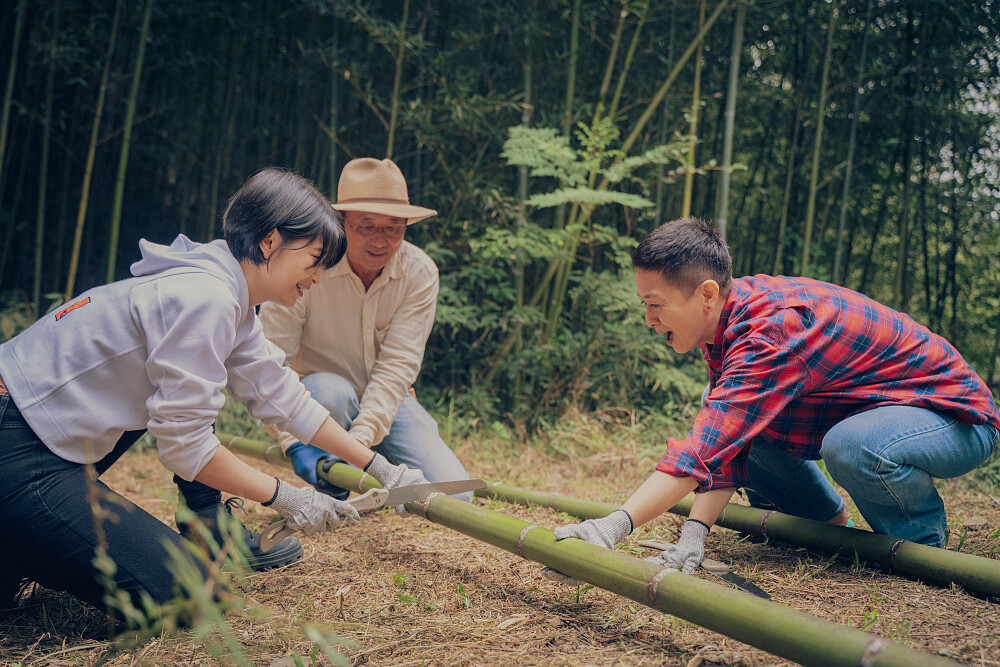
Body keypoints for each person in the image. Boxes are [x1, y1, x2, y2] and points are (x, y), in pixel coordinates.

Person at [0, 168, 429, 617]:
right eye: (315, 259)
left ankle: (29, 537)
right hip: (19, 444)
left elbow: (284, 398)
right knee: (191, 599)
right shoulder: (207, 297)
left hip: (43, 438)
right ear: (271, 242)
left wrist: (382, 468)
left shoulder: (227, 291)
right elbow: (185, 445)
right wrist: (286, 495)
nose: (318, 277)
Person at [555, 218, 999, 571]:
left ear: (707, 294)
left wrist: (614, 527)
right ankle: (820, 523)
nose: (649, 320)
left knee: (851, 446)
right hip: (882, 415)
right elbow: (726, 442)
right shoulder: (728, 329)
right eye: (644, 305)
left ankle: (922, 549)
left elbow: (700, 452)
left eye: (656, 304)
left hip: (954, 420)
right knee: (736, 417)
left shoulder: (773, 330)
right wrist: (694, 536)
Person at [260, 158, 471, 501]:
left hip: (388, 400)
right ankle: (328, 473)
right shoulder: (308, 264)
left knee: (454, 493)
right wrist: (292, 441)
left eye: (393, 227)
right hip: (316, 400)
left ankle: (359, 471)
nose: (381, 240)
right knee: (333, 390)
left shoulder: (419, 274)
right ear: (341, 222)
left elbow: (396, 369)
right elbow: (266, 362)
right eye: (367, 225)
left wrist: (358, 446)